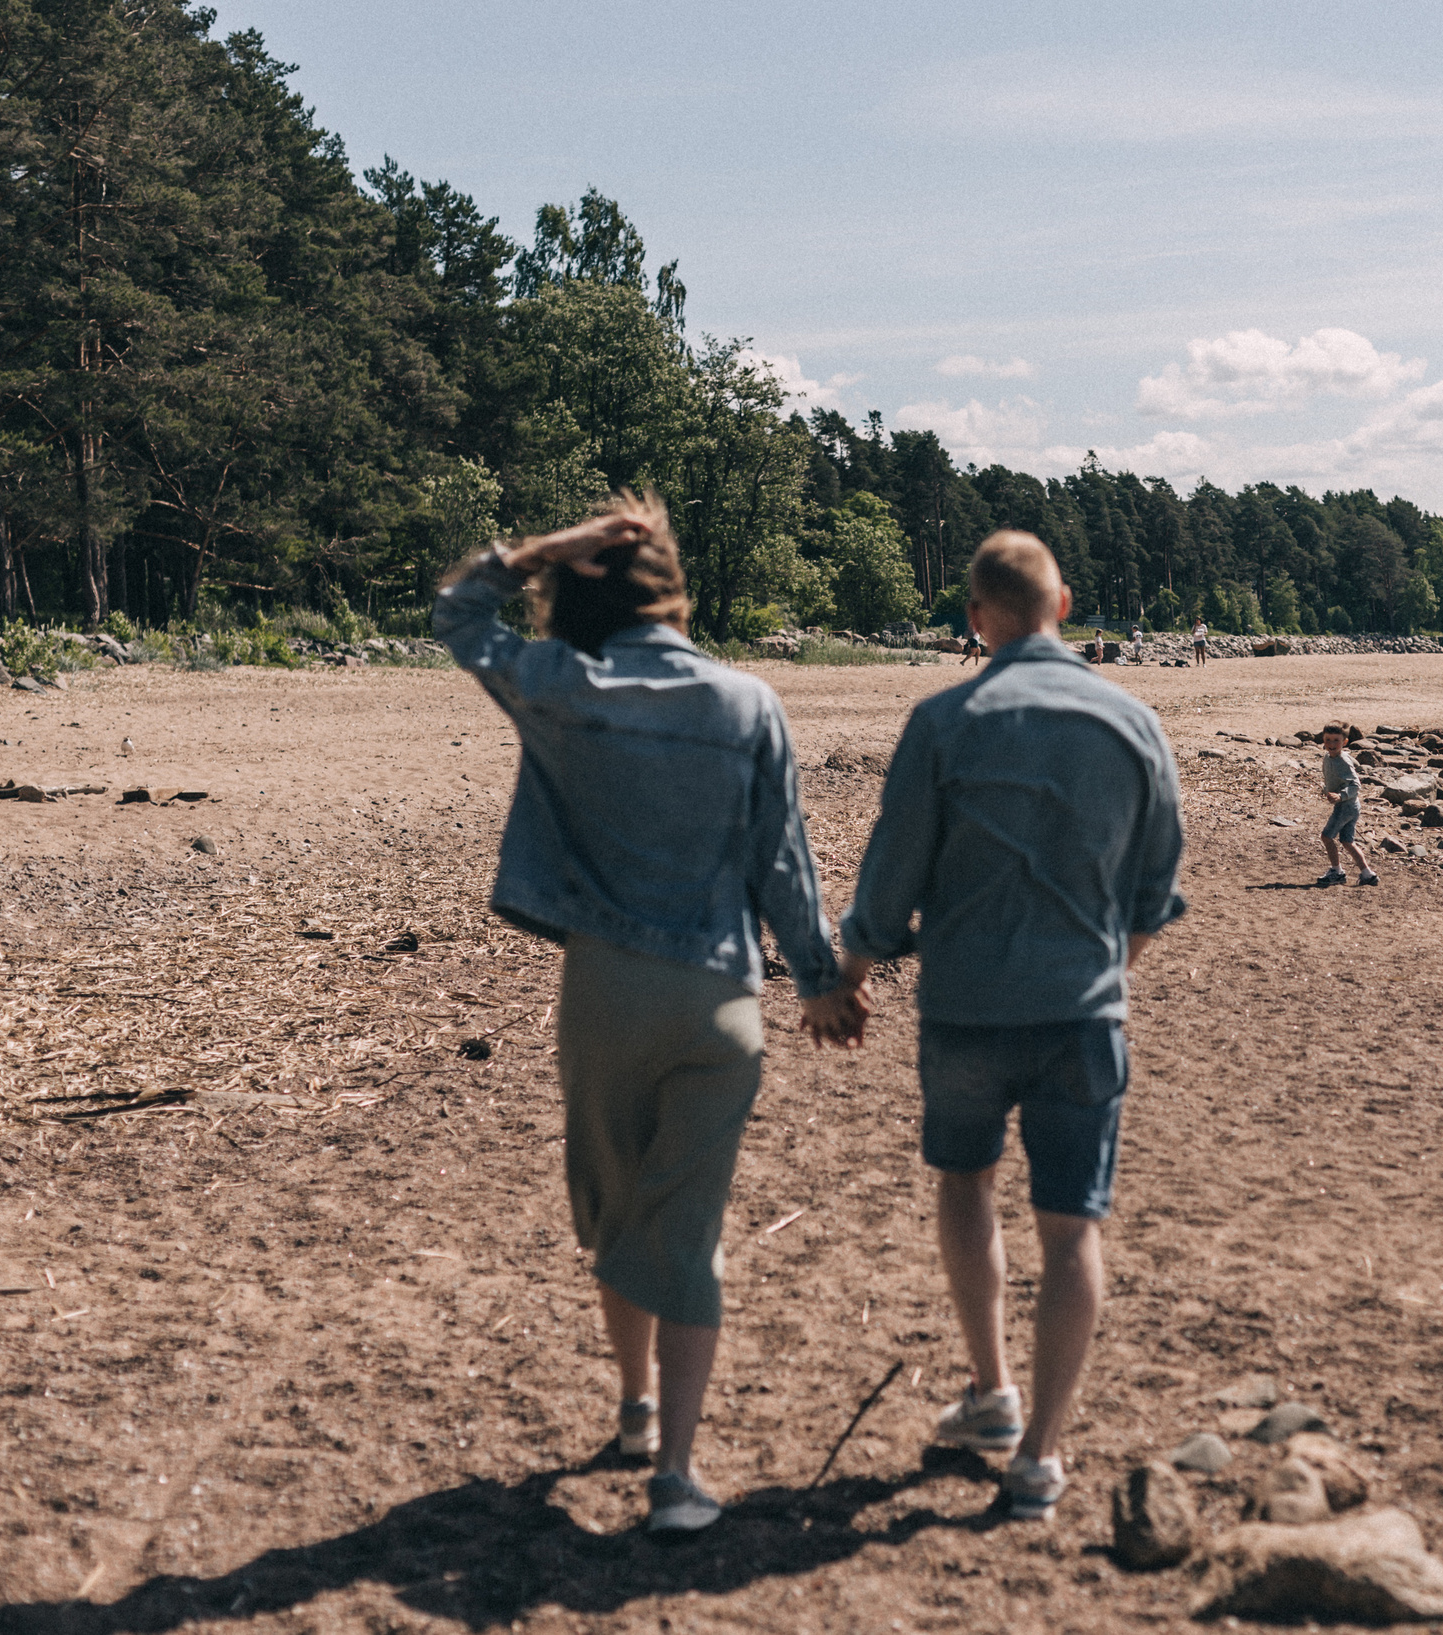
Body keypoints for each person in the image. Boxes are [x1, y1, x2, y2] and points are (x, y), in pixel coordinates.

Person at [435, 495, 866, 1537]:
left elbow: (458, 613)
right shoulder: (748, 702)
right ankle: (675, 1475)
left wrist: (544, 552)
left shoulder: (563, 686)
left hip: (603, 988)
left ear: (586, 592)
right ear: (678, 589)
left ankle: (632, 1408)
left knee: (615, 1211)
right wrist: (819, 980)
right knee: (688, 1232)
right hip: (720, 997)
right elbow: (783, 862)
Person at [834, 530, 1186, 1522]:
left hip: (965, 1009)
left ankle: (992, 1390)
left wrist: (849, 976)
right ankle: (1039, 1456)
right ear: (1063, 605)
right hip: (1081, 1012)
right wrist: (1103, 978)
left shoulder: (944, 719)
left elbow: (888, 877)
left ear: (977, 620)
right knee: (1071, 1225)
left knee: (965, 1183)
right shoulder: (1132, 723)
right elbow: (1157, 896)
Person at [1314, 722, 1377, 888]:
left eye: (1336, 740)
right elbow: (1333, 779)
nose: (1332, 744)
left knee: (1327, 837)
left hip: (1346, 806)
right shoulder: (1328, 757)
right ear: (1323, 739)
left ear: (1345, 742)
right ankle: (1367, 874)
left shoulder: (1343, 760)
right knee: (1347, 841)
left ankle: (1337, 872)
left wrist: (1341, 796)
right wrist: (1327, 790)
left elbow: (1355, 785)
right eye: (1328, 740)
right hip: (1350, 806)